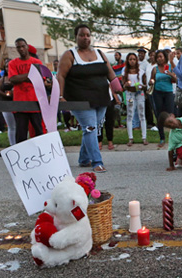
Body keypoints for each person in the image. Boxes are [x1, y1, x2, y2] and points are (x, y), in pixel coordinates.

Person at [57, 24, 119, 173]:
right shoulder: (70, 55)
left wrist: (117, 90)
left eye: (88, 35)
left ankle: (84, 159)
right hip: (80, 100)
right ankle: (96, 161)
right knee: (90, 128)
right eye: (82, 35)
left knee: (92, 128)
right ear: (76, 37)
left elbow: (110, 73)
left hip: (102, 98)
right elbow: (61, 76)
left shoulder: (99, 53)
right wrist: (60, 96)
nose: (85, 38)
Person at [8, 38, 44, 143]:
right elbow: (13, 79)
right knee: (21, 133)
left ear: (27, 46)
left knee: (39, 131)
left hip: (35, 101)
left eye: (23, 46)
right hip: (20, 103)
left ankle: (42, 153)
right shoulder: (13, 63)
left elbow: (40, 79)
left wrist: (21, 77)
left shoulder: (37, 62)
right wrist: (30, 75)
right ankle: (22, 155)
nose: (21, 49)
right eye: (18, 47)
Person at [149, 50, 176, 148]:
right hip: (157, 93)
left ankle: (173, 137)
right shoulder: (155, 69)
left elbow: (176, 80)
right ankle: (162, 138)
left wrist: (170, 74)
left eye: (161, 57)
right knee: (159, 115)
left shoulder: (169, 67)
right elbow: (151, 80)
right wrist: (151, 82)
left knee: (170, 114)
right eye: (157, 57)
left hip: (168, 92)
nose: (159, 59)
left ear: (165, 57)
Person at [122, 52, 148, 146]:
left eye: (134, 59)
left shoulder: (141, 71)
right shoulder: (125, 71)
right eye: (130, 59)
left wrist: (142, 86)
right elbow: (123, 84)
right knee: (130, 114)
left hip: (139, 93)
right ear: (128, 61)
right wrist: (126, 85)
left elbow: (145, 84)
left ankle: (144, 137)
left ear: (136, 60)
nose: (132, 61)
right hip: (130, 94)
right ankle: (130, 137)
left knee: (142, 113)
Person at [0, 59, 16, 146]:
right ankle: (13, 145)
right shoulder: (2, 79)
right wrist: (5, 94)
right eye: (7, 66)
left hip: (20, 104)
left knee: (21, 126)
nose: (8, 68)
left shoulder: (19, 77)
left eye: (10, 66)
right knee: (12, 127)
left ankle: (22, 144)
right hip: (6, 105)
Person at [137, 48, 156, 130]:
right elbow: (145, 76)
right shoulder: (149, 65)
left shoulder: (156, 66)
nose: (151, 57)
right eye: (150, 55)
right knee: (149, 106)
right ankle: (150, 122)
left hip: (155, 88)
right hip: (148, 89)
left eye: (153, 55)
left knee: (155, 106)